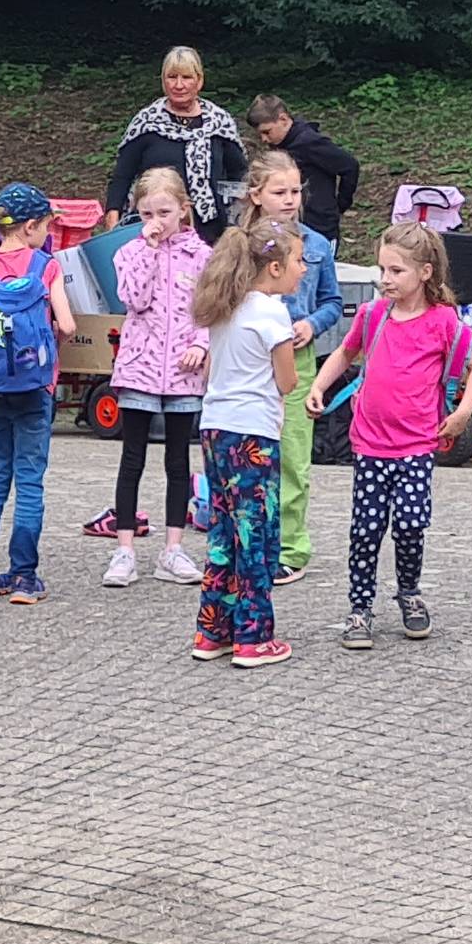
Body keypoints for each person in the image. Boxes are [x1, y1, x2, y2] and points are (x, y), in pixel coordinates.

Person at [308, 224, 472, 652]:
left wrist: (462, 413)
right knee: (365, 529)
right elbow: (346, 352)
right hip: (369, 444)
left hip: (416, 445)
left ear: (425, 273)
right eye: (382, 269)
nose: (385, 279)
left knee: (408, 525)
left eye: (396, 271)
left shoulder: (444, 322)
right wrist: (319, 385)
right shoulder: (372, 315)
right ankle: (360, 607)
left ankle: (409, 592)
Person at [187, 218, 308, 669]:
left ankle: (213, 629)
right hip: (253, 435)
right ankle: (255, 636)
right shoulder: (272, 313)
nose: (303, 268)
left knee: (223, 531)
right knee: (256, 533)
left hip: (215, 428)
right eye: (298, 260)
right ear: (273, 267)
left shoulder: (227, 306)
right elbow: (286, 380)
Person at [0, 183, 74, 605]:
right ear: (29, 226)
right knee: (29, 482)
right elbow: (68, 324)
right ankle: (24, 577)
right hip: (35, 389)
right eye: (45, 225)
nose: (46, 234)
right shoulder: (46, 267)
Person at [99, 167, 211, 587]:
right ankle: (124, 549)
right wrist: (146, 249)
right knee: (133, 459)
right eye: (147, 213)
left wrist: (201, 343)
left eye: (165, 211)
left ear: (184, 209)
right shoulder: (128, 251)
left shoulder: (202, 256)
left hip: (184, 372)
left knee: (178, 460)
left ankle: (173, 549)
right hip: (139, 368)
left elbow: (210, 306)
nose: (157, 221)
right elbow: (133, 298)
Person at [236, 151, 344, 585]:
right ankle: (251, 542)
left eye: (295, 191)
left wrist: (310, 323)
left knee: (293, 456)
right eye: (279, 191)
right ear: (256, 195)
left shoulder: (316, 246)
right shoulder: (240, 244)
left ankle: (292, 548)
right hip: (248, 360)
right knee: (248, 456)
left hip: (296, 362)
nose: (289, 199)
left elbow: (333, 303)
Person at [104, 47, 248, 242]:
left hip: (211, 230)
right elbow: (123, 175)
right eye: (172, 77)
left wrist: (241, 221)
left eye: (186, 77)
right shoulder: (147, 122)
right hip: (155, 227)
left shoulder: (219, 123)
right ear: (163, 81)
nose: (179, 85)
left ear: (199, 80)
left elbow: (239, 176)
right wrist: (113, 217)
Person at [247, 94, 361, 250]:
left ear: (283, 119)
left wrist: (340, 204)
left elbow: (349, 165)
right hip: (293, 223)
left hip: (319, 226)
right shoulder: (283, 144)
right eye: (260, 134)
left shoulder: (309, 142)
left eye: (267, 132)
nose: (264, 139)